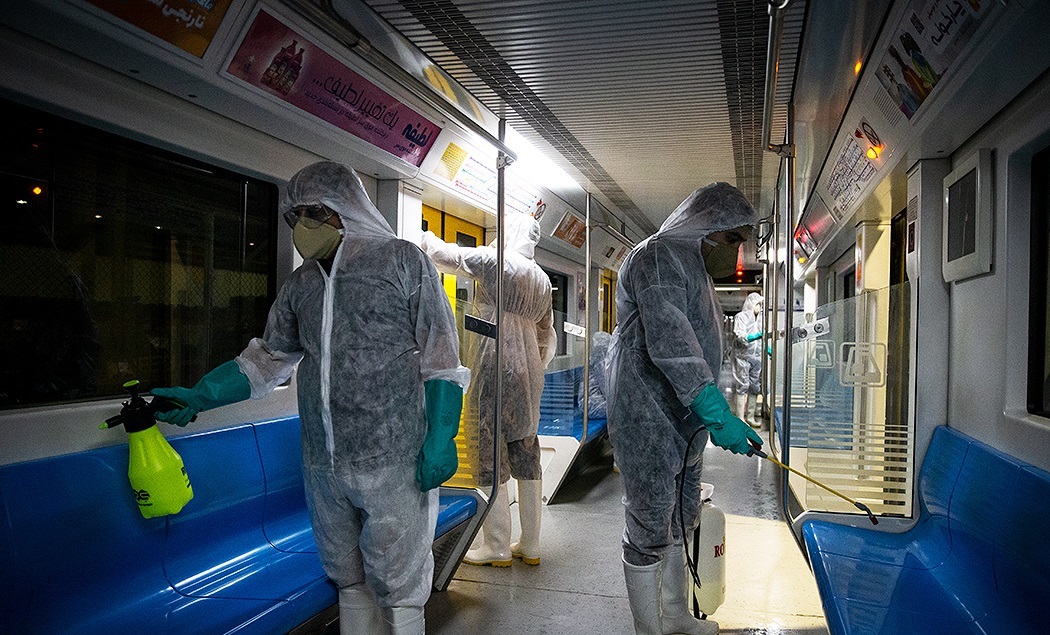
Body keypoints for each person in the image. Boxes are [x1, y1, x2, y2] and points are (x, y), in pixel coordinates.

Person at [151, 161, 469, 635]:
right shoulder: (301, 287)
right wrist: (201, 395)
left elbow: (441, 359)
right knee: (348, 577)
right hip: (324, 463)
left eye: (313, 212)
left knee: (400, 585)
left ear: (346, 210)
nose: (302, 226)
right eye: (293, 215)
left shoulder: (403, 262)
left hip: (396, 460)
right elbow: (265, 361)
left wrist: (441, 438)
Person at [606, 182, 764, 635]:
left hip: (684, 418)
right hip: (649, 412)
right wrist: (719, 413)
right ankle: (648, 629)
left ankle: (675, 616)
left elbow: (704, 340)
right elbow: (674, 346)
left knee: (680, 515)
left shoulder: (697, 272)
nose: (736, 251)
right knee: (650, 520)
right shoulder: (658, 258)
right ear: (706, 229)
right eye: (732, 238)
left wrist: (713, 412)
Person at [421, 212, 556, 567]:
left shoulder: (498, 262)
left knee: (488, 451)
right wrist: (534, 366)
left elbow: (446, 256)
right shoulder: (542, 279)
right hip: (529, 374)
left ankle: (497, 544)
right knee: (527, 454)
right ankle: (531, 544)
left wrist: (425, 234)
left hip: (494, 362)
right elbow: (546, 333)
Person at [732, 292, 764, 428]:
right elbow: (739, 334)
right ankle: (740, 418)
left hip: (756, 356)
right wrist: (753, 337)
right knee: (742, 386)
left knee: (755, 387)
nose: (760, 307)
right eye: (758, 304)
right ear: (752, 303)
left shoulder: (761, 319)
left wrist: (767, 349)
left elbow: (762, 337)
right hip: (743, 356)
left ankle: (750, 417)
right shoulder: (742, 317)